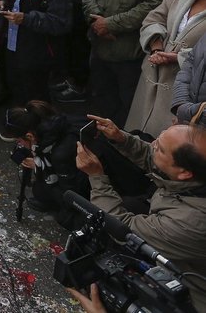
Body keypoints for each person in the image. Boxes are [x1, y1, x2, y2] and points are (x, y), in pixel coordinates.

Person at [75, 116, 206, 312]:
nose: (152, 144)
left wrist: (97, 177)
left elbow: (122, 228)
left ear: (185, 173)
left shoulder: (190, 222)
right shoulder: (195, 171)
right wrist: (122, 139)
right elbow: (159, 161)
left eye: (160, 147)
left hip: (192, 297)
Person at [83, 0, 176, 127]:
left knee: (127, 104)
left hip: (129, 53)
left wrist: (110, 24)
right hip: (99, 46)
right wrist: (95, 19)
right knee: (101, 95)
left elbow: (151, 8)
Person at [126, 0, 206, 137]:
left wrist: (177, 57)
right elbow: (154, 19)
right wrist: (157, 47)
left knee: (166, 147)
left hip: (185, 89)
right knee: (138, 137)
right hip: (151, 79)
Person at [1, 101, 89, 228]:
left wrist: (39, 167)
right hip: (72, 169)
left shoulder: (61, 154)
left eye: (19, 140)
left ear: (29, 136)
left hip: (86, 187)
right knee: (39, 190)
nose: (19, 145)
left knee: (66, 219)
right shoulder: (52, 125)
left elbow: (70, 195)